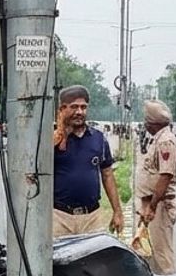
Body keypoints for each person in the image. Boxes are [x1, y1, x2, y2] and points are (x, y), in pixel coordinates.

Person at [52, 86, 124, 238]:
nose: (79, 112)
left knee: (95, 261)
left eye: (83, 107)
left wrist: (117, 212)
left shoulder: (98, 138)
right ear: (62, 109)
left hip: (92, 218)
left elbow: (107, 175)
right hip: (59, 217)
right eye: (74, 107)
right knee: (60, 260)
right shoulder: (53, 140)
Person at [136, 100, 176, 274]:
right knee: (151, 255)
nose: (145, 123)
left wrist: (152, 206)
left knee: (162, 257)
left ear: (153, 123)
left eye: (147, 120)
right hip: (152, 205)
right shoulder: (157, 139)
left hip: (159, 206)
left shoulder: (165, 142)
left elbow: (165, 176)